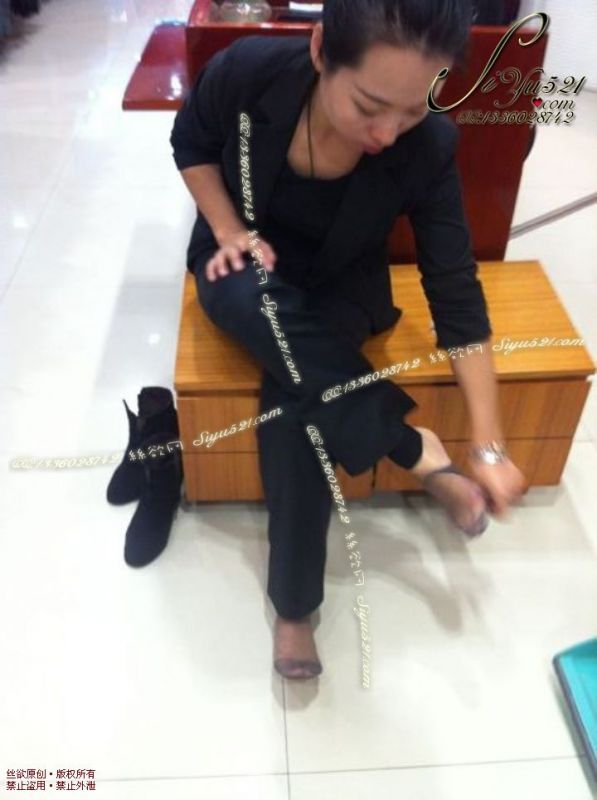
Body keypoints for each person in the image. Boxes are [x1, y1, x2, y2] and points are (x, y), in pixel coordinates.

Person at [170, 0, 527, 681]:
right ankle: (411, 448)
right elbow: (191, 143)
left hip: (341, 281)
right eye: (369, 105)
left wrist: (488, 446)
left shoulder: (429, 146)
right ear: (318, 50)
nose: (387, 133)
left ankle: (293, 605)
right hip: (241, 258)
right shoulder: (248, 73)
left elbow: (456, 294)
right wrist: (226, 228)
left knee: (298, 401)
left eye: (412, 110)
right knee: (249, 299)